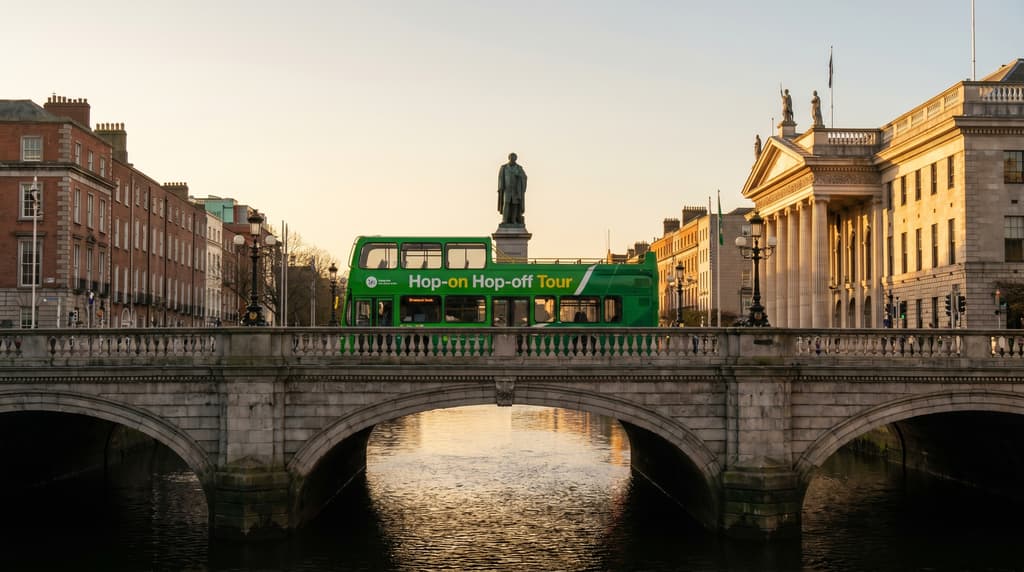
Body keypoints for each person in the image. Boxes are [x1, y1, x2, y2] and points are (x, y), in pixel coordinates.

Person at [498, 152, 527, 225]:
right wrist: (500, 187)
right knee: (506, 203)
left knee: (515, 204)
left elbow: (524, 177)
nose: (513, 159)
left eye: (514, 158)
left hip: (516, 190)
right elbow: (501, 178)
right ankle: (505, 220)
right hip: (507, 189)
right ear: (509, 158)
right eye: (511, 157)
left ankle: (514, 220)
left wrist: (519, 175)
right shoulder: (504, 167)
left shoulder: (519, 168)